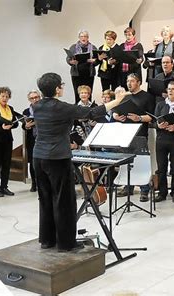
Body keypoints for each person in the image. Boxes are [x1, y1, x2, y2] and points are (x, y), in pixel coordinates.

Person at [33, 72, 130, 252]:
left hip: (39, 157)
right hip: (57, 158)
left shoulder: (36, 105)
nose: (62, 87)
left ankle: (47, 240)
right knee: (64, 200)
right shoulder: (61, 107)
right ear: (56, 89)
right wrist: (117, 100)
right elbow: (91, 112)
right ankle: (65, 243)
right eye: (61, 85)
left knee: (45, 198)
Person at [112, 73, 155, 202]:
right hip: (125, 133)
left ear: (139, 82)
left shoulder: (147, 97)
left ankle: (144, 189)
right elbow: (114, 111)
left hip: (140, 133)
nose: (129, 83)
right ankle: (128, 186)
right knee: (126, 162)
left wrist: (140, 118)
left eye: (132, 81)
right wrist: (116, 116)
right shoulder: (125, 96)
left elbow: (152, 117)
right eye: (127, 81)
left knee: (141, 162)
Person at [66, 29, 97, 104]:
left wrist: (94, 61)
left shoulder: (93, 47)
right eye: (82, 36)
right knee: (77, 93)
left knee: (88, 93)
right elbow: (68, 58)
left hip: (89, 74)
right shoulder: (73, 47)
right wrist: (71, 61)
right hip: (77, 74)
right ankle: (78, 110)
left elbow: (97, 61)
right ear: (79, 37)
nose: (83, 38)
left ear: (88, 37)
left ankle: (88, 110)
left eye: (85, 36)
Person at [22, 90, 41, 192]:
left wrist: (36, 122)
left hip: (43, 138)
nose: (35, 100)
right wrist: (26, 126)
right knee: (32, 162)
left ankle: (42, 183)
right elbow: (23, 126)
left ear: (40, 97)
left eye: (36, 97)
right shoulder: (26, 111)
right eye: (32, 98)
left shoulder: (44, 109)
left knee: (42, 162)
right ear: (29, 100)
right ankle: (34, 183)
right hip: (32, 139)